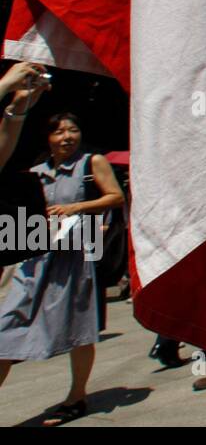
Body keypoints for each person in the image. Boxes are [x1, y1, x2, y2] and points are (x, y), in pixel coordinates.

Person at [0, 111, 124, 425]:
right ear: (48, 138)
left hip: (77, 256)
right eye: (59, 132)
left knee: (79, 331)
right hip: (36, 258)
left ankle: (76, 397)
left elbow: (115, 197)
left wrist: (75, 207)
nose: (67, 136)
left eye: (73, 129)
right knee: (5, 328)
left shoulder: (91, 163)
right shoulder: (34, 172)